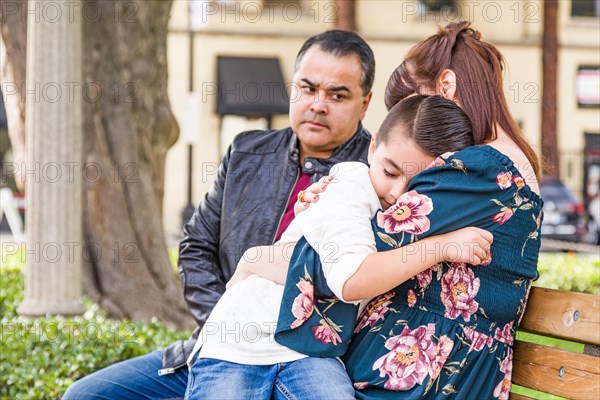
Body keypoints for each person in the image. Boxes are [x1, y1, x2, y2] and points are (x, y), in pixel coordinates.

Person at [63, 29, 376, 400]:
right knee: (87, 395)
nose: (318, 104)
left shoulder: (375, 175)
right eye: (307, 89)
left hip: (310, 356)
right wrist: (225, 327)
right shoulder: (247, 151)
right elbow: (196, 245)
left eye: (337, 95)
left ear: (365, 103)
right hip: (222, 346)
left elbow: (364, 276)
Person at [284, 20, 543, 399]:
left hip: (410, 383)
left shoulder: (479, 168)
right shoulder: (498, 166)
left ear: (447, 87)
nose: (414, 132)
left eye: (418, 108)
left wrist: (267, 258)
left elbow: (352, 258)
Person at [184, 95, 492, 400]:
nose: (398, 192)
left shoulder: (425, 212)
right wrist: (442, 247)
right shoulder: (350, 186)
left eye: (416, 185)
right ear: (372, 148)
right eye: (389, 171)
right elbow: (351, 279)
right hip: (242, 338)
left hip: (311, 350)